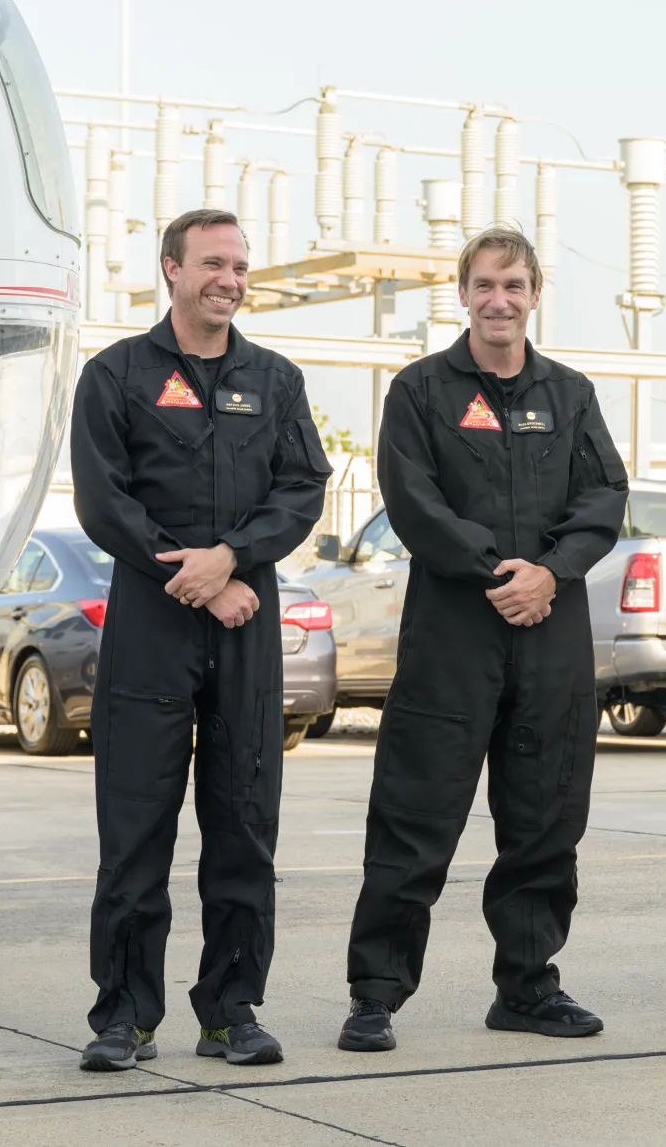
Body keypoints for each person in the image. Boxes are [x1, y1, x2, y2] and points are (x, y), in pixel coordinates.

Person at [338, 226, 629, 1053]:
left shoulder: (570, 394)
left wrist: (550, 572)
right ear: (462, 293)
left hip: (551, 635)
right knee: (415, 812)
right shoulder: (422, 390)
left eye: (515, 285)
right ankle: (376, 992)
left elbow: (604, 495)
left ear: (534, 295)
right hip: (453, 635)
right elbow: (412, 497)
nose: (499, 299)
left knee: (544, 818)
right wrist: (497, 571)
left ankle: (529, 986)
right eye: (484, 284)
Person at [71, 208, 332, 1071]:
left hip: (246, 627)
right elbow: (105, 500)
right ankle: (125, 1016)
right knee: (135, 828)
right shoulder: (115, 376)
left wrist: (232, 561)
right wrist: (193, 577)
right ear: (172, 270)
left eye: (241, 268)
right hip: (152, 622)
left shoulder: (278, 379)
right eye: (214, 264)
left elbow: (302, 489)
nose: (230, 279)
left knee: (244, 826)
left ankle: (231, 1011)